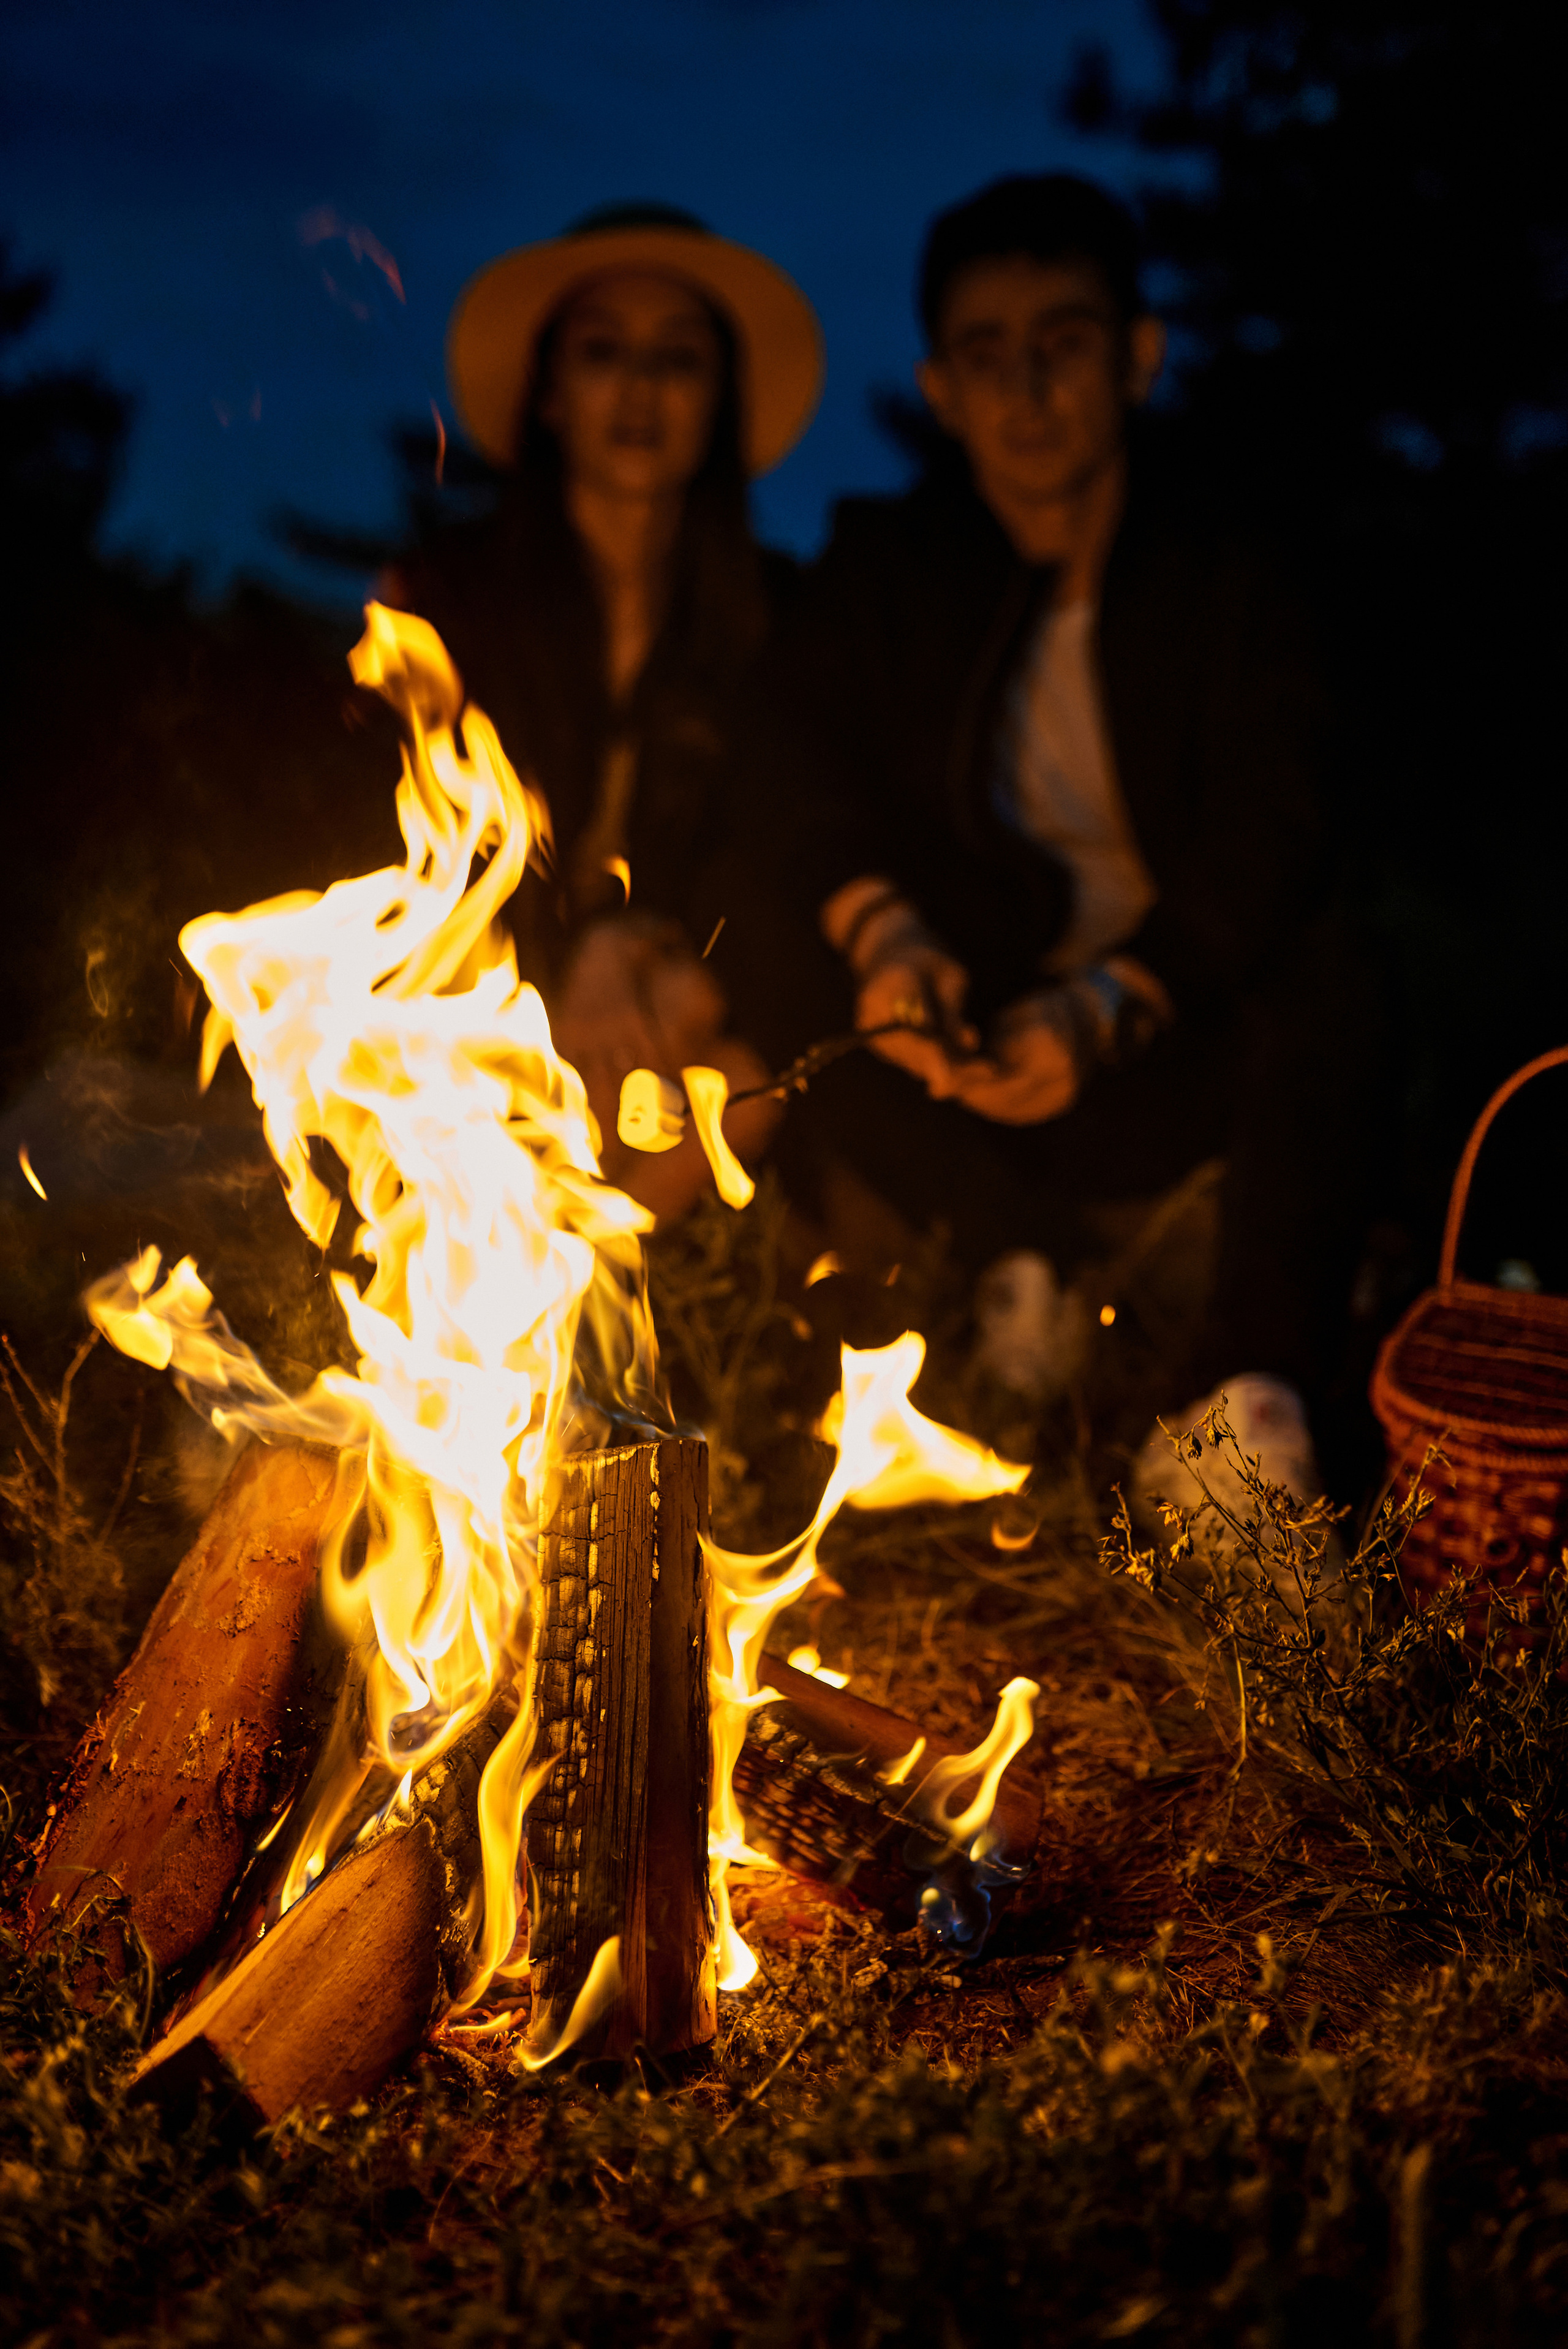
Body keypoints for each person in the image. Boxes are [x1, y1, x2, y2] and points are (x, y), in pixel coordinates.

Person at [752, 173, 1370, 1480]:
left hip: (1169, 1030)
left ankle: (1238, 1422)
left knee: (1336, 958)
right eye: (986, 356)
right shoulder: (890, 570)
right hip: (969, 1054)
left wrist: (1115, 1003)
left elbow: (1283, 813)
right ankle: (1009, 1271)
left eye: (1063, 346)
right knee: (762, 937)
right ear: (938, 391)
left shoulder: (1236, 563)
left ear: (1136, 359)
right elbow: (790, 762)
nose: (1026, 393)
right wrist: (888, 934)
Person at [388, 204, 823, 1216]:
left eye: (678, 361)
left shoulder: (779, 617)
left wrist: (659, 952)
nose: (639, 392)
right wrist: (562, 964)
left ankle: (573, 1288)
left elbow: (791, 842)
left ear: (721, 400)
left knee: (749, 1071)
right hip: (481, 1008)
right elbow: (399, 847)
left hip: (680, 1040)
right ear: (548, 391)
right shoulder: (449, 602)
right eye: (602, 354)